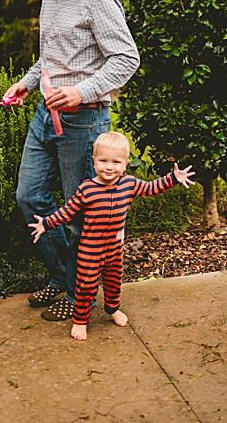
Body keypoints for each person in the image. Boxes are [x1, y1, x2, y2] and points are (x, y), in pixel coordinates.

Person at [4, 0, 141, 323]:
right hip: (46, 114)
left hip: (85, 121)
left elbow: (126, 59)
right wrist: (27, 83)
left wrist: (81, 91)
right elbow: (50, 56)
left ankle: (80, 293)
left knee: (80, 212)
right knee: (29, 198)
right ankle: (63, 275)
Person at [28, 132, 194, 340]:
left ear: (125, 164)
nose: (109, 167)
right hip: (90, 250)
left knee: (114, 281)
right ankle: (80, 320)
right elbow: (68, 211)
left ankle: (113, 309)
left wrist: (172, 178)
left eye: (116, 162)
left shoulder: (129, 184)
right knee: (86, 285)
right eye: (103, 160)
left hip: (115, 248)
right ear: (94, 161)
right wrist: (46, 223)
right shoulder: (87, 189)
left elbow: (152, 188)